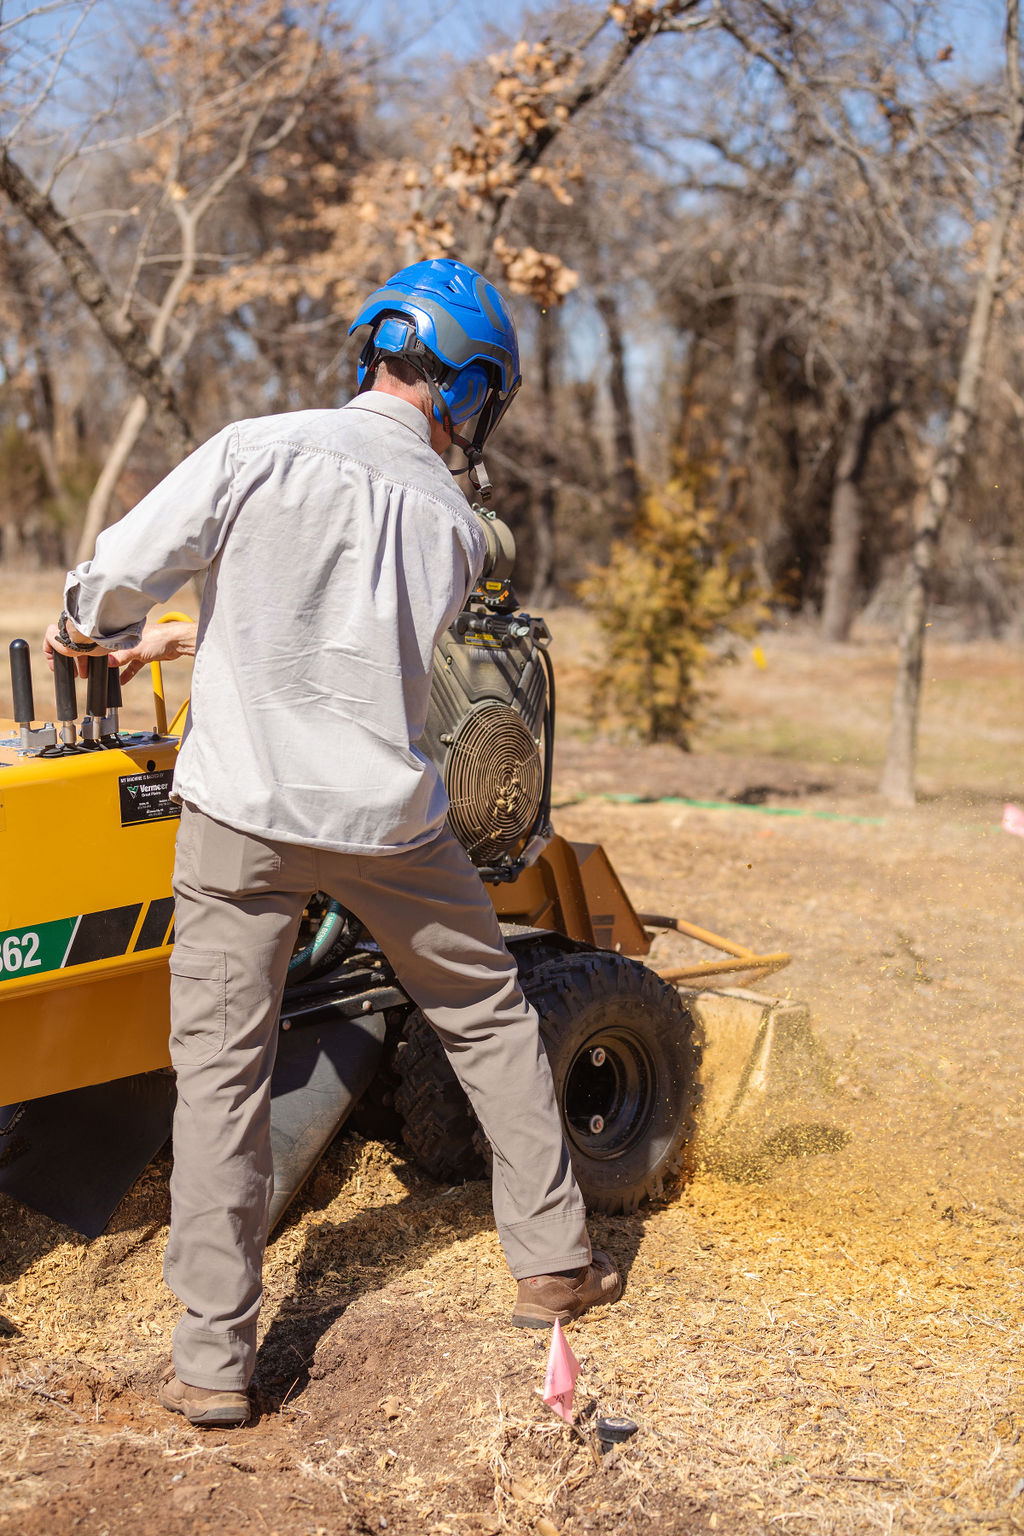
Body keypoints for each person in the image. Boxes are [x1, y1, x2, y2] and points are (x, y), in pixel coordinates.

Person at [45, 258, 621, 1430]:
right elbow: (346, 640)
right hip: (390, 828)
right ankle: (553, 1259)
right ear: (462, 389)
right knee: (489, 1018)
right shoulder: (455, 527)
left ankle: (214, 1365)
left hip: (239, 818)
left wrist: (97, 623)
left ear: (375, 351)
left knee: (218, 1079)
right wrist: (183, 640)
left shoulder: (253, 448)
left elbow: (121, 580)